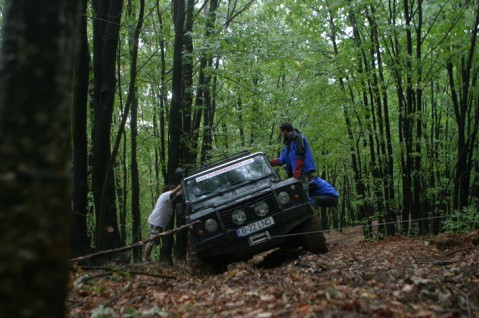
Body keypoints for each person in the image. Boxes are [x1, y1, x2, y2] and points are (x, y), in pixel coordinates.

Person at [144, 184, 182, 262]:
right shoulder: (165, 195)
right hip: (155, 222)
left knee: (153, 241)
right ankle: (145, 258)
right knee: (151, 241)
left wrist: (181, 190)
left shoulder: (168, 199)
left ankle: (147, 258)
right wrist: (181, 184)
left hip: (158, 223)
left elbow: (177, 194)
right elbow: (175, 192)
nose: (174, 193)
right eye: (173, 191)